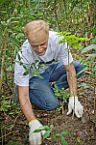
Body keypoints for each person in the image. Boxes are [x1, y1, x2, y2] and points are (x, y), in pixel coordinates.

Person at [14, 20, 84, 145]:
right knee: (52, 104)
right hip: (35, 77)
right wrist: (32, 122)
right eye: (34, 46)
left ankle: (51, 88)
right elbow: (23, 95)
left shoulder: (58, 40)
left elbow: (70, 70)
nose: (40, 49)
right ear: (28, 41)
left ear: (48, 35)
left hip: (51, 68)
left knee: (79, 67)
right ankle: (37, 91)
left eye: (43, 44)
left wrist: (74, 96)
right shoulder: (23, 56)